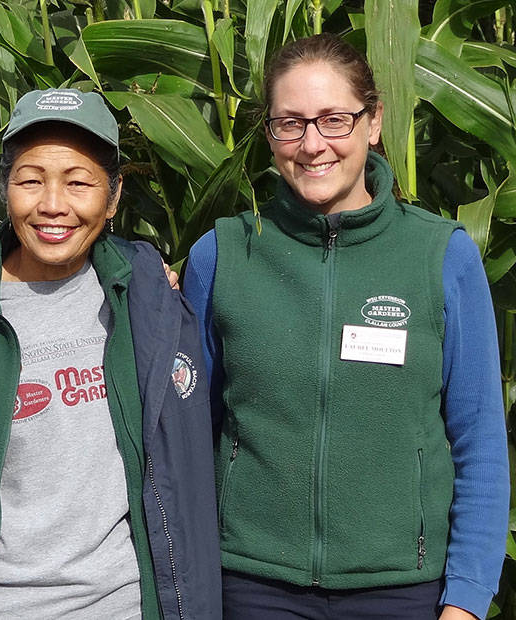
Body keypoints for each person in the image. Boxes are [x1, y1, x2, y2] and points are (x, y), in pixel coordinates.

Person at [183, 34, 509, 620]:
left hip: (403, 590)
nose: (312, 145)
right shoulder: (222, 255)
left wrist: (466, 597)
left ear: (373, 121)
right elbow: (184, 435)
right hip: (251, 586)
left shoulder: (441, 257)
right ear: (269, 133)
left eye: (334, 119)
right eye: (290, 123)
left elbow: (480, 442)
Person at [0, 87, 221, 620]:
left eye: (79, 182)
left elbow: (185, 480)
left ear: (113, 198)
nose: (53, 205)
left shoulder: (150, 302)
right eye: (31, 181)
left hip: (123, 606)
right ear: (5, 189)